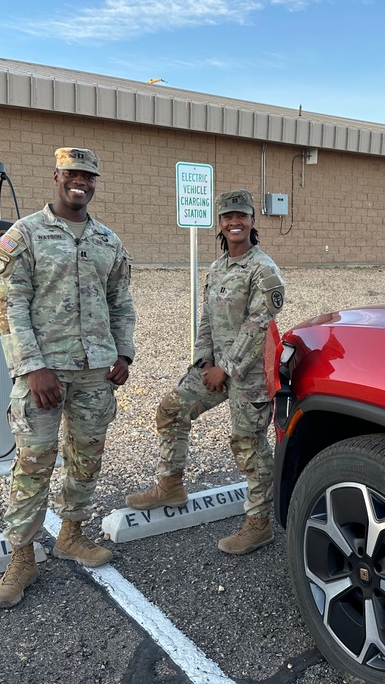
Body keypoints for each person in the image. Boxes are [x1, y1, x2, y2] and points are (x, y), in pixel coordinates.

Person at [0, 147, 136, 609]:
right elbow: (8, 307)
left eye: (88, 176)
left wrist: (124, 353)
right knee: (33, 464)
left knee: (86, 458)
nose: (81, 182)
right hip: (43, 374)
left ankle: (72, 533)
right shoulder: (25, 235)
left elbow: (121, 303)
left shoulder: (108, 241)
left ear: (95, 182)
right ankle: (22, 557)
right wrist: (32, 367)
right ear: (56, 176)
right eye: (72, 174)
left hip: (96, 373)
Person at [125, 189, 285, 555]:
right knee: (171, 409)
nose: (234, 222)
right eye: (228, 217)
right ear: (220, 223)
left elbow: (258, 324)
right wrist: (204, 362)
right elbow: (207, 320)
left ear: (252, 221)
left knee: (248, 445)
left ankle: (259, 524)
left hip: (250, 375)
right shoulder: (218, 268)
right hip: (215, 369)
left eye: (241, 216)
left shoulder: (264, 269)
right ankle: (170, 485)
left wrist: (226, 369)